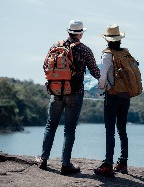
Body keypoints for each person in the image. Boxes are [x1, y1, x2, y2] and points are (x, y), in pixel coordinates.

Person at [38, 20, 100, 175]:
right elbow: (95, 72)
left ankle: (43, 159)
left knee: (51, 124)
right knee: (69, 128)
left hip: (56, 92)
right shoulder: (85, 50)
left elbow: (45, 66)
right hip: (75, 92)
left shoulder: (55, 46)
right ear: (80, 33)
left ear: (68, 32)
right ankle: (65, 164)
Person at [94, 24, 132, 177]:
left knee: (110, 130)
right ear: (119, 39)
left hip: (112, 95)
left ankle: (108, 164)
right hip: (125, 96)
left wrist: (100, 87)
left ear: (107, 40)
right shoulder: (126, 53)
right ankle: (122, 162)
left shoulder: (107, 54)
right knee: (122, 129)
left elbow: (103, 77)